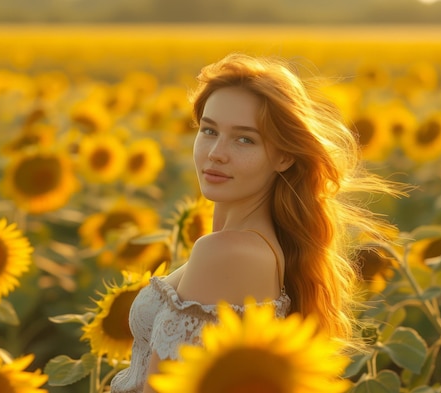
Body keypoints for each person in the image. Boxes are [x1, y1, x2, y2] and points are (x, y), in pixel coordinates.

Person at [109, 53, 402, 393]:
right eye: (209, 130)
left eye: (244, 138)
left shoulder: (227, 252)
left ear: (284, 156)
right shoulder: (259, 245)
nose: (216, 152)